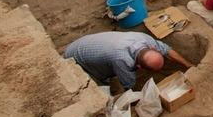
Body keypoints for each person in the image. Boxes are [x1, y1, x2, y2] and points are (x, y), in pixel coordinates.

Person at [64, 31, 193, 90]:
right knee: (101, 90)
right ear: (139, 67)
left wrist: (188, 65)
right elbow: (129, 87)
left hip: (86, 43)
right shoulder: (122, 61)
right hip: (74, 60)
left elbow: (167, 50)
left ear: (153, 49)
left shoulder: (144, 39)